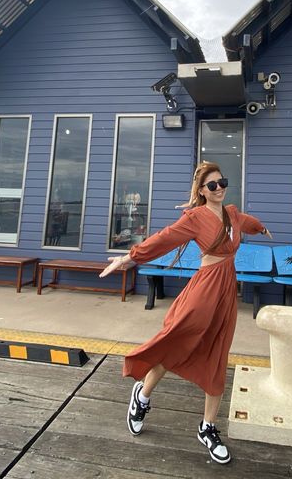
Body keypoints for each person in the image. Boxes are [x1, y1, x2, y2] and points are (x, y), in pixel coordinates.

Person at [99, 161, 272, 464]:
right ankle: (141, 396)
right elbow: (163, 239)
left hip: (226, 293)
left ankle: (208, 427)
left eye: (222, 182)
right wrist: (129, 257)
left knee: (218, 354)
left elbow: (244, 221)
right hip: (203, 291)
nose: (219, 188)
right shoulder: (194, 218)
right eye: (212, 186)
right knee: (176, 342)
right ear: (202, 191)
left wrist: (260, 227)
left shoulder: (231, 213)